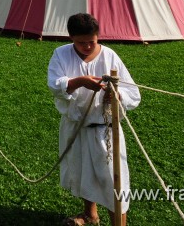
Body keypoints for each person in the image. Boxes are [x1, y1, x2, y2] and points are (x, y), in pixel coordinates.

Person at [47, 13, 140, 226]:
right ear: (71, 38)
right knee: (82, 173)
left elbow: (132, 93)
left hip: (105, 130)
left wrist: (115, 96)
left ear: (98, 36)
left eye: (92, 41)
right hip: (76, 127)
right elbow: (54, 84)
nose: (88, 46)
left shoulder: (109, 56)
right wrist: (79, 81)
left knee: (113, 182)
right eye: (81, 43)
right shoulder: (61, 55)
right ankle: (90, 214)